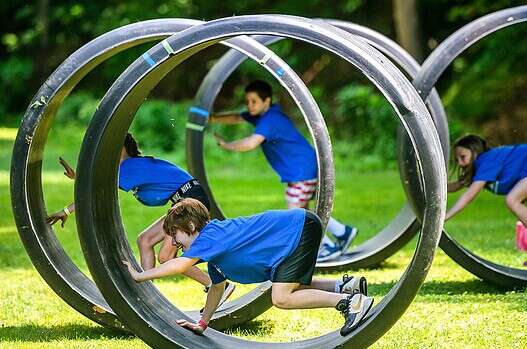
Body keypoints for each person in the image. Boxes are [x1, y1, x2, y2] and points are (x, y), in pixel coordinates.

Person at [123, 198, 374, 336]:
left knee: (282, 298)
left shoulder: (210, 236)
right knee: (286, 286)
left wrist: (141, 275)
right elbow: (216, 289)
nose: (175, 244)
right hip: (292, 237)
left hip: (296, 230)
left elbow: (178, 265)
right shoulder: (216, 256)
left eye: (175, 235)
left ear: (190, 228)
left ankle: (350, 303)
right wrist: (202, 323)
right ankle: (346, 286)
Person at [46, 133, 236, 303]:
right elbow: (99, 184)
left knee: (166, 257)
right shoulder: (131, 167)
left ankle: (218, 285)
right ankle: (147, 294)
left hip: (190, 201)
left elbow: (96, 191)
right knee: (145, 240)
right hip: (183, 201)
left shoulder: (129, 167)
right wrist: (78, 178)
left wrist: (66, 210)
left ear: (119, 148)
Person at [209, 79, 357, 262]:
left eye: (254, 101)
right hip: (304, 167)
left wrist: (227, 145)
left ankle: (326, 246)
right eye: (247, 101)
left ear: (267, 101)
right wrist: (212, 118)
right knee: (303, 210)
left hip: (302, 170)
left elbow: (251, 143)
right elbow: (238, 117)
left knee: (295, 212)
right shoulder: (264, 115)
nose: (249, 105)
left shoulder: (270, 120)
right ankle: (342, 232)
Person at [446, 134, 527, 273]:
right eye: (457, 159)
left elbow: (469, 196)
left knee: (512, 200)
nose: (460, 163)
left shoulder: (486, 160)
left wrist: (445, 216)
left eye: (463, 157)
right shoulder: (484, 166)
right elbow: (455, 186)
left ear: (475, 151)